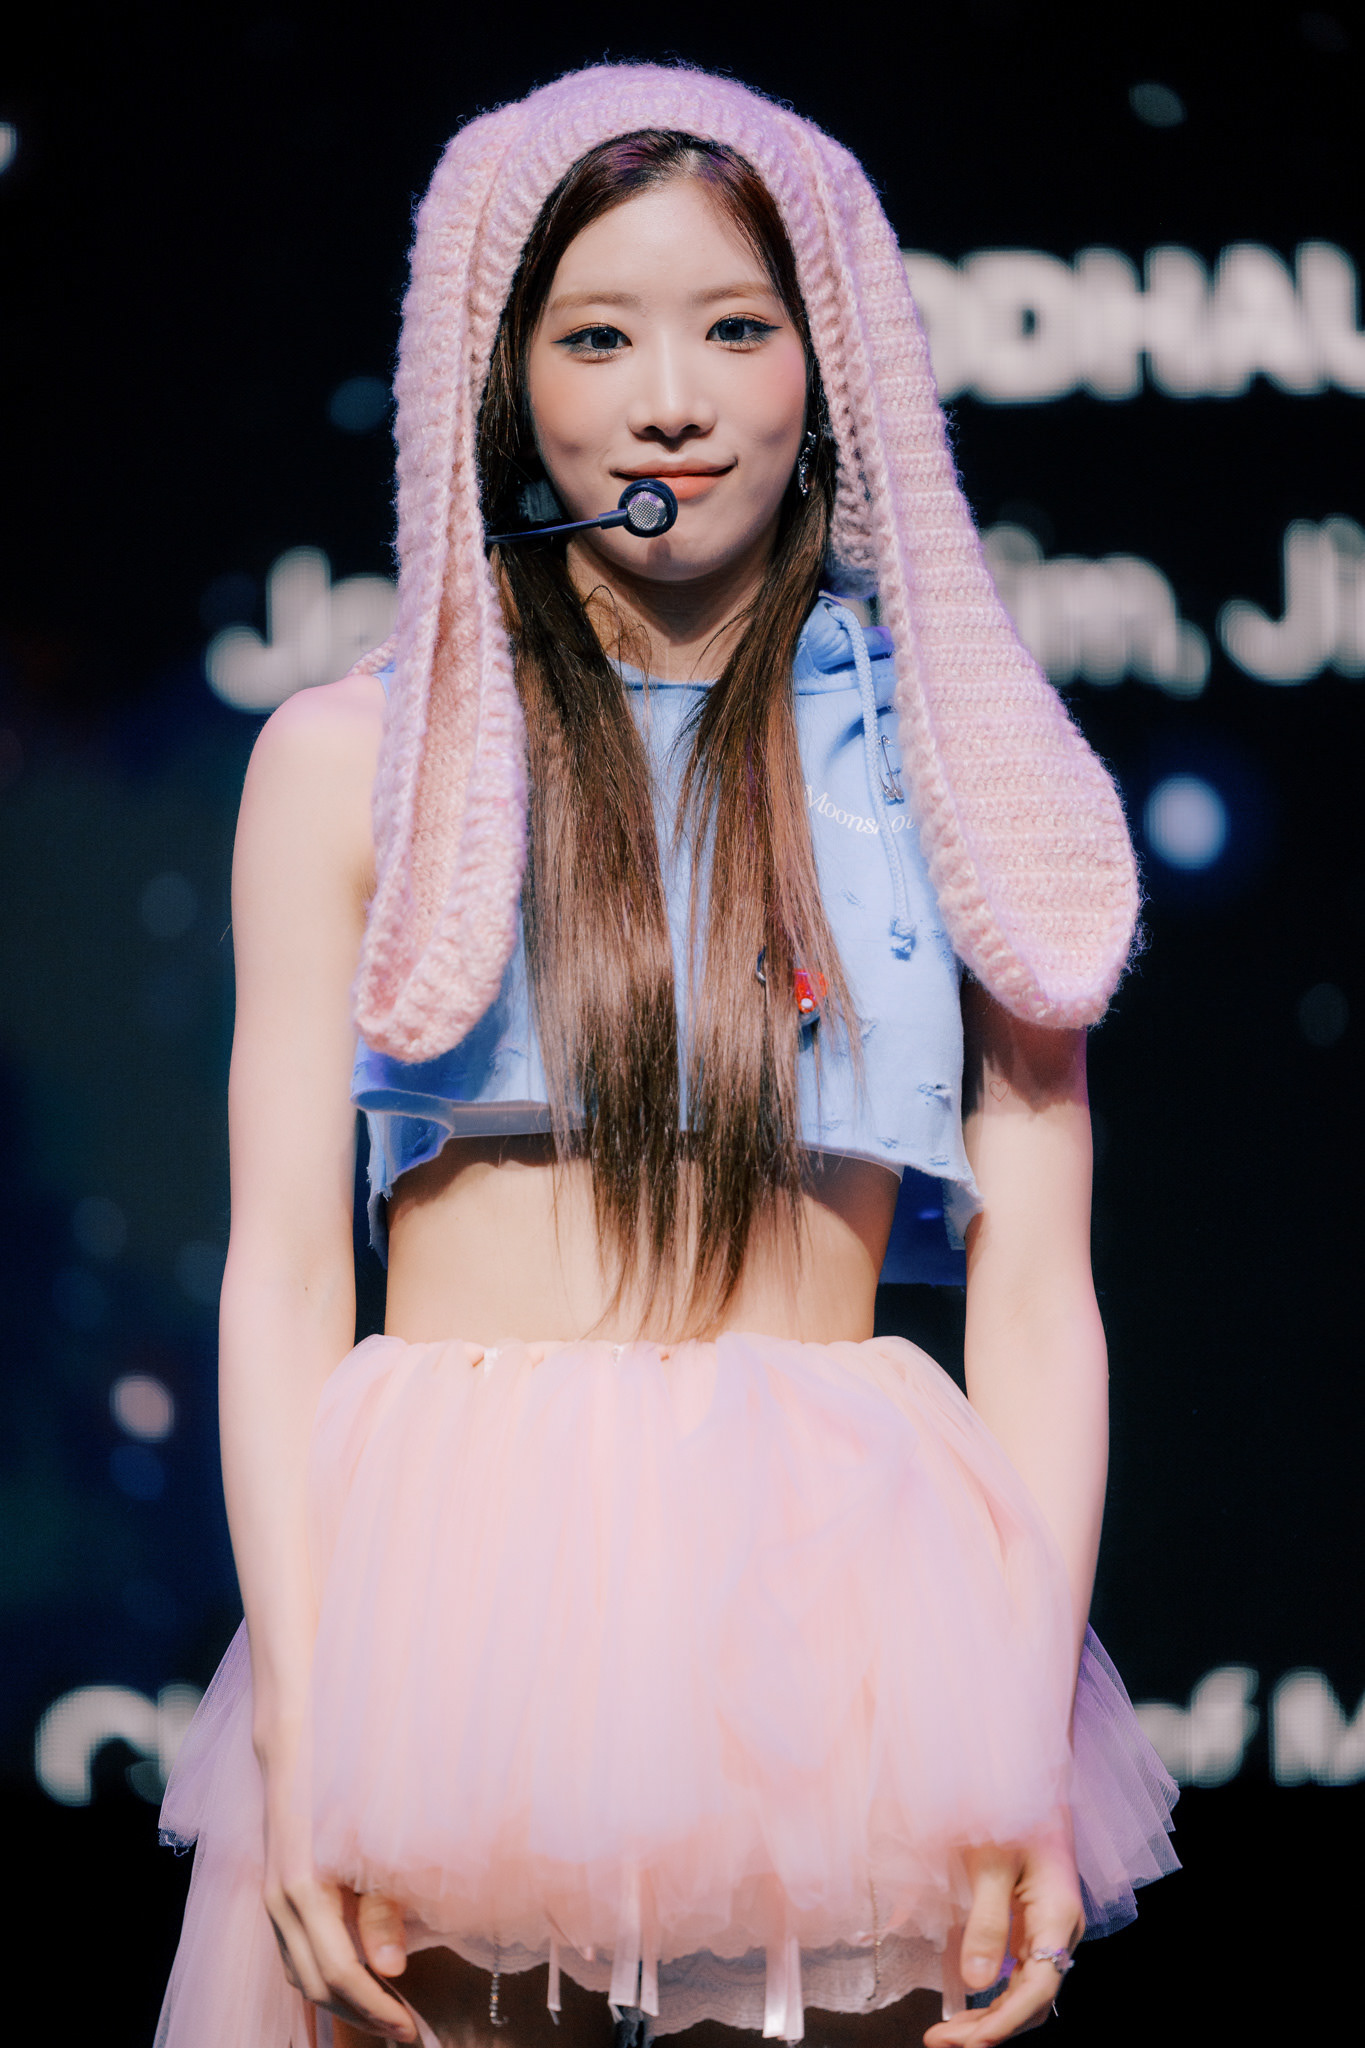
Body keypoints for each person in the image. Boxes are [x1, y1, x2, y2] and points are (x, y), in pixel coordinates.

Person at [155, 63, 1177, 2048]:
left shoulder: (967, 775)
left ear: (835, 362)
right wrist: (306, 1712)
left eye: (734, 327)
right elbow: (279, 1271)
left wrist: (1010, 1746)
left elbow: (1039, 1295)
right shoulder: (357, 765)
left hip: (841, 1609)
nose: (670, 401)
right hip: (454, 1607)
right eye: (595, 337)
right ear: (496, 372)